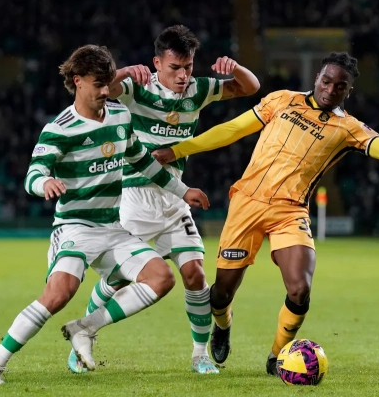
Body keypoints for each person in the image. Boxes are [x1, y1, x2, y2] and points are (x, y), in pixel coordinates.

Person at [151, 51, 379, 375]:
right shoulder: (281, 100)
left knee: (300, 290)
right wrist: (180, 149)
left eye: (340, 86)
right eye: (327, 81)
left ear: (348, 91)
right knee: (221, 294)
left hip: (290, 211)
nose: (331, 89)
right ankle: (222, 325)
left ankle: (278, 355)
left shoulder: (350, 129)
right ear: (316, 78)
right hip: (247, 204)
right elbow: (231, 130)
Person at [0, 44, 209, 384]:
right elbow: (33, 174)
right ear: (78, 81)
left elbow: (142, 162)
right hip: (74, 227)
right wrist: (45, 183)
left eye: (107, 84)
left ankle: (85, 327)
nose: (104, 92)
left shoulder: (120, 116)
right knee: (60, 293)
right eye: (98, 85)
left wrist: (182, 191)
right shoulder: (60, 128)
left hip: (113, 228)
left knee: (162, 278)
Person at [67, 25, 260, 375]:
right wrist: (125, 71)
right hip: (134, 199)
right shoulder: (138, 87)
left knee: (195, 274)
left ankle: (200, 355)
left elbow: (251, 87)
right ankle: (84, 335)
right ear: (157, 63)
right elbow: (104, 89)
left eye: (188, 66)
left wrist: (235, 68)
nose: (183, 75)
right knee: (117, 279)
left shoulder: (199, 89)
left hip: (173, 199)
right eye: (174, 68)